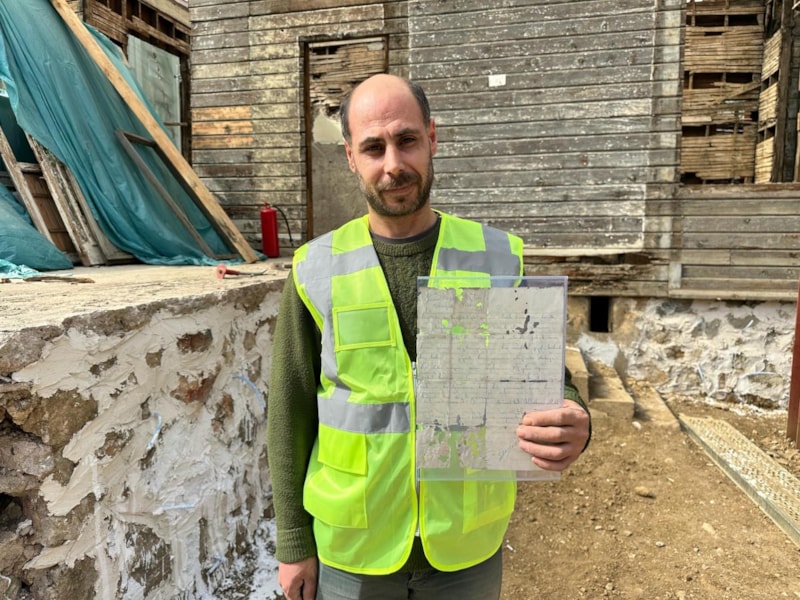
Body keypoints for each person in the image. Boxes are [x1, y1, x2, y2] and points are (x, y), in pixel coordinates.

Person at [266, 73, 591, 600]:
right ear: (350, 157)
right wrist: (293, 542)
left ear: (432, 138)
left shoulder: (495, 257)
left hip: (465, 550)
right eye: (374, 147)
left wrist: (573, 414)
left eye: (407, 140)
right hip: (352, 551)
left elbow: (544, 377)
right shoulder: (315, 268)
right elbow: (289, 410)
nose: (393, 164)